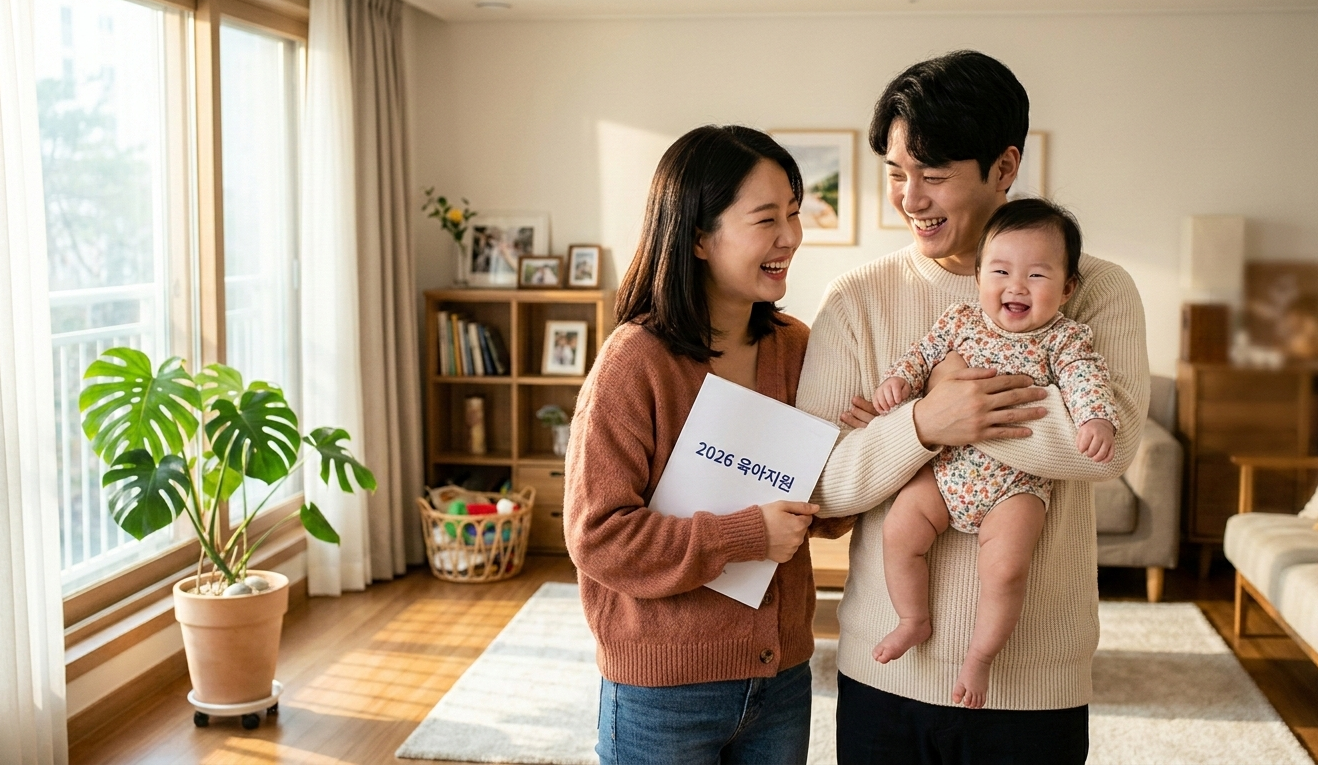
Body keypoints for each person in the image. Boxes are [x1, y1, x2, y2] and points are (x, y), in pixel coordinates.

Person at [795, 50, 1148, 763]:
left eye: (933, 174)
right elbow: (823, 477)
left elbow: (1107, 446)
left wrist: (909, 425)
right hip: (881, 675)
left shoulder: (1091, 288)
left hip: (1033, 685)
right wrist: (927, 421)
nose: (909, 197)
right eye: (896, 173)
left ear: (1004, 167)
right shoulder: (858, 298)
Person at [563, 124, 835, 765]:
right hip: (663, 692)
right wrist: (744, 535)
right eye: (766, 219)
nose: (790, 238)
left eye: (793, 215)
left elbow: (827, 504)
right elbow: (597, 535)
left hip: (782, 680)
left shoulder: (797, 346)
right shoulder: (635, 362)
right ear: (697, 237)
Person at [865, 199, 1120, 710]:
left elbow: (1085, 380)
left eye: (1037, 274)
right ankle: (913, 619)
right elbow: (920, 356)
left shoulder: (1065, 339)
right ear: (978, 275)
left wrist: (1096, 419)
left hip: (1016, 485)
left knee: (1005, 570)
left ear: (1068, 288)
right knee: (900, 532)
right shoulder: (959, 321)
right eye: (1000, 271)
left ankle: (980, 657)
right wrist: (899, 380)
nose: (1016, 286)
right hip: (944, 469)